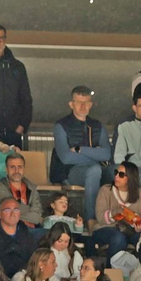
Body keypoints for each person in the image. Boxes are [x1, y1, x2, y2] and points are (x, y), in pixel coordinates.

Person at [53, 86, 113, 220]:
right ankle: (91, 220)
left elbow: (107, 154)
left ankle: (119, 218)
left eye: (86, 103)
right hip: (70, 172)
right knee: (95, 170)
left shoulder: (97, 126)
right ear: (71, 104)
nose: (83, 106)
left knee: (119, 171)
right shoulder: (61, 125)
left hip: (97, 168)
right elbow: (66, 158)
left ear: (91, 104)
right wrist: (95, 156)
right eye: (79, 102)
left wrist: (80, 149)